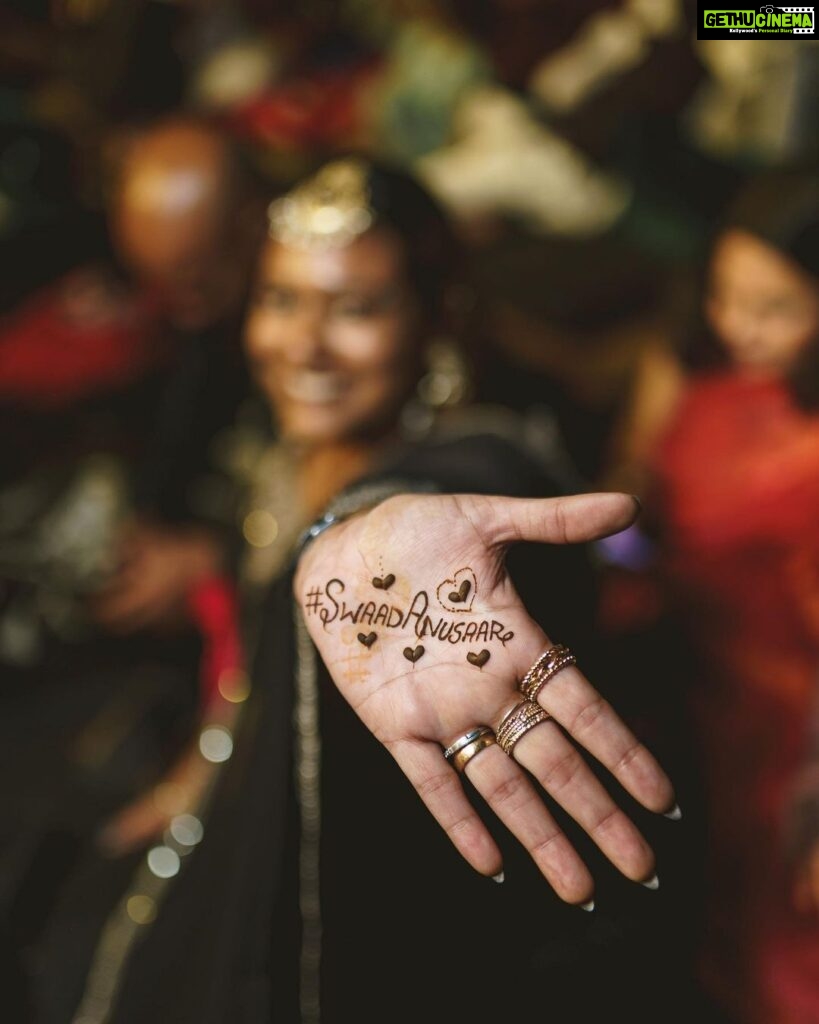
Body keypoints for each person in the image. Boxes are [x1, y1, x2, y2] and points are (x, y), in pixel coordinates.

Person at [67, 157, 691, 1024]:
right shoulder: (283, 445)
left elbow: (449, 492)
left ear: (436, 317)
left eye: (356, 310)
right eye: (281, 300)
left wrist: (356, 534)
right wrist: (209, 766)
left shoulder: (482, 475)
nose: (304, 346)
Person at [606, 167, 819, 1023]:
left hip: (786, 735)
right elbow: (629, 500)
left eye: (775, 308)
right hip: (682, 695)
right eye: (728, 296)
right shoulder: (692, 366)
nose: (740, 326)